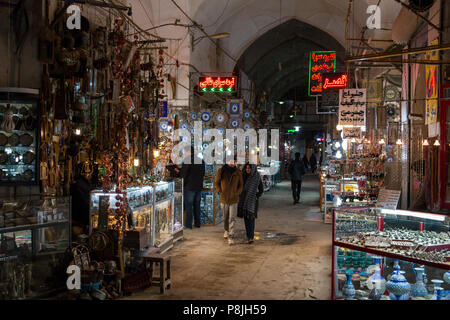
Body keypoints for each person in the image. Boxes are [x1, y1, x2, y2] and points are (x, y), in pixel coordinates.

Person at [215, 158, 243, 245]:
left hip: (234, 198)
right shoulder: (221, 171)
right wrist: (220, 191)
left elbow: (241, 185)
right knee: (225, 217)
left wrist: (237, 192)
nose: (232, 163)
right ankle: (226, 230)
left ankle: (231, 234)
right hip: (224, 198)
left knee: (232, 217)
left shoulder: (238, 172)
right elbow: (217, 182)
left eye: (233, 162)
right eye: (230, 161)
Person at [179, 148, 205, 229]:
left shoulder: (187, 161)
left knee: (189, 206)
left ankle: (188, 224)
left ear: (189, 152)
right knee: (197, 205)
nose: (184, 154)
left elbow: (184, 175)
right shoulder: (201, 161)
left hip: (189, 187)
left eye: (185, 152)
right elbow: (203, 173)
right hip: (198, 186)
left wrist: (182, 184)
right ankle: (197, 223)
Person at [238, 164, 264, 244]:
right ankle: (248, 236)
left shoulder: (256, 177)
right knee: (246, 219)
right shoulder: (243, 176)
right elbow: (239, 186)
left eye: (249, 168)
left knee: (251, 219)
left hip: (253, 201)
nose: (247, 170)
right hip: (244, 200)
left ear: (252, 169)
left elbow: (261, 189)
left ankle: (251, 237)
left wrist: (257, 196)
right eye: (246, 168)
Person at [70, 163, 94, 237]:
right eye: (90, 173)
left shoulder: (80, 182)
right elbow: (83, 202)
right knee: (79, 235)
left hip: (79, 217)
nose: (91, 175)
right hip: (80, 218)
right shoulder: (81, 184)